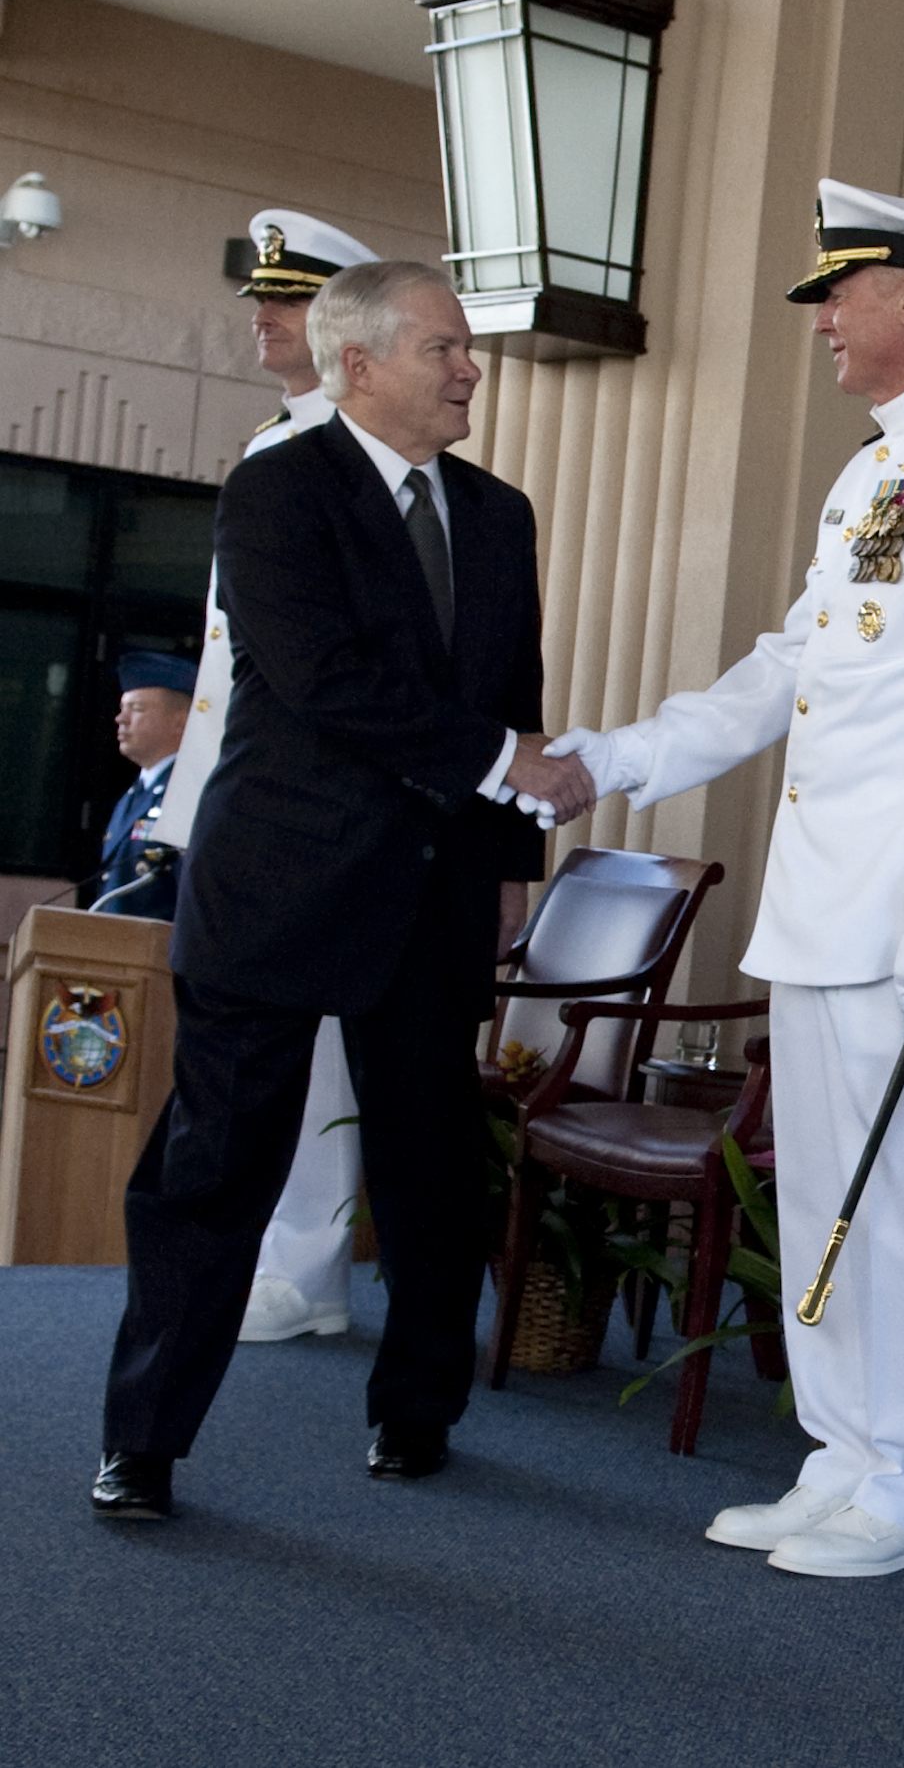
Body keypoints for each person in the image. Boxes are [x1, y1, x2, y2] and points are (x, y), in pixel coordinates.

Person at [546, 181, 904, 1580]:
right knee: (828, 1192)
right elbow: (792, 666)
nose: (827, 320)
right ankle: (845, 1453)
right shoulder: (875, 470)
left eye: (842, 292)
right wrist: (618, 752)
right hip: (829, 905)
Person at [91, 260, 593, 1520]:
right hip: (276, 889)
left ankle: (417, 1411)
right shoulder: (276, 490)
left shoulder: (497, 514)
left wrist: (508, 871)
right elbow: (328, 682)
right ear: (356, 363)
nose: (470, 367)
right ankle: (143, 1442)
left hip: (434, 897)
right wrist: (503, 763)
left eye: (468, 349)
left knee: (431, 1169)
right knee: (214, 1170)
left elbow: (506, 692)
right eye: (445, 348)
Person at [164, 208, 382, 1344]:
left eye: (288, 300)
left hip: (321, 819)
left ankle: (308, 1266)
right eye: (263, 296)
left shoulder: (351, 463)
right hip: (246, 805)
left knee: (318, 1052)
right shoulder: (273, 443)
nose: (263, 315)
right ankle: (279, 1256)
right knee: (250, 1052)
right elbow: (224, 664)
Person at [92, 652, 195, 919]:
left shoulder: (189, 794)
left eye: (136, 709)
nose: (121, 719)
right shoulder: (134, 796)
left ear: (181, 722)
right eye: (122, 707)